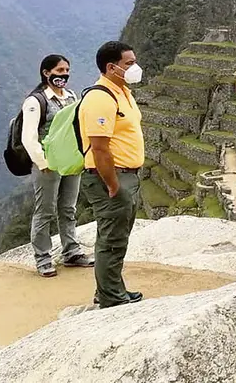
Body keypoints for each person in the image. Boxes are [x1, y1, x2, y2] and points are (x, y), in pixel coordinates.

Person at [80, 41, 145, 308]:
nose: (135, 68)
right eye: (128, 64)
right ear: (111, 67)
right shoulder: (100, 97)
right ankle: (111, 298)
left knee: (117, 237)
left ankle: (111, 288)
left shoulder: (123, 93)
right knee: (111, 240)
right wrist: (113, 185)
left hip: (127, 174)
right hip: (110, 176)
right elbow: (99, 147)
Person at [21, 54, 93, 277]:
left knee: (68, 208)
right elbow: (29, 137)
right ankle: (43, 258)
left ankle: (71, 251)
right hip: (48, 164)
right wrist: (42, 162)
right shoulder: (36, 101)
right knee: (45, 211)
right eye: (60, 71)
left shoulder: (70, 96)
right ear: (46, 73)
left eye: (66, 70)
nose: (64, 75)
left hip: (70, 162)